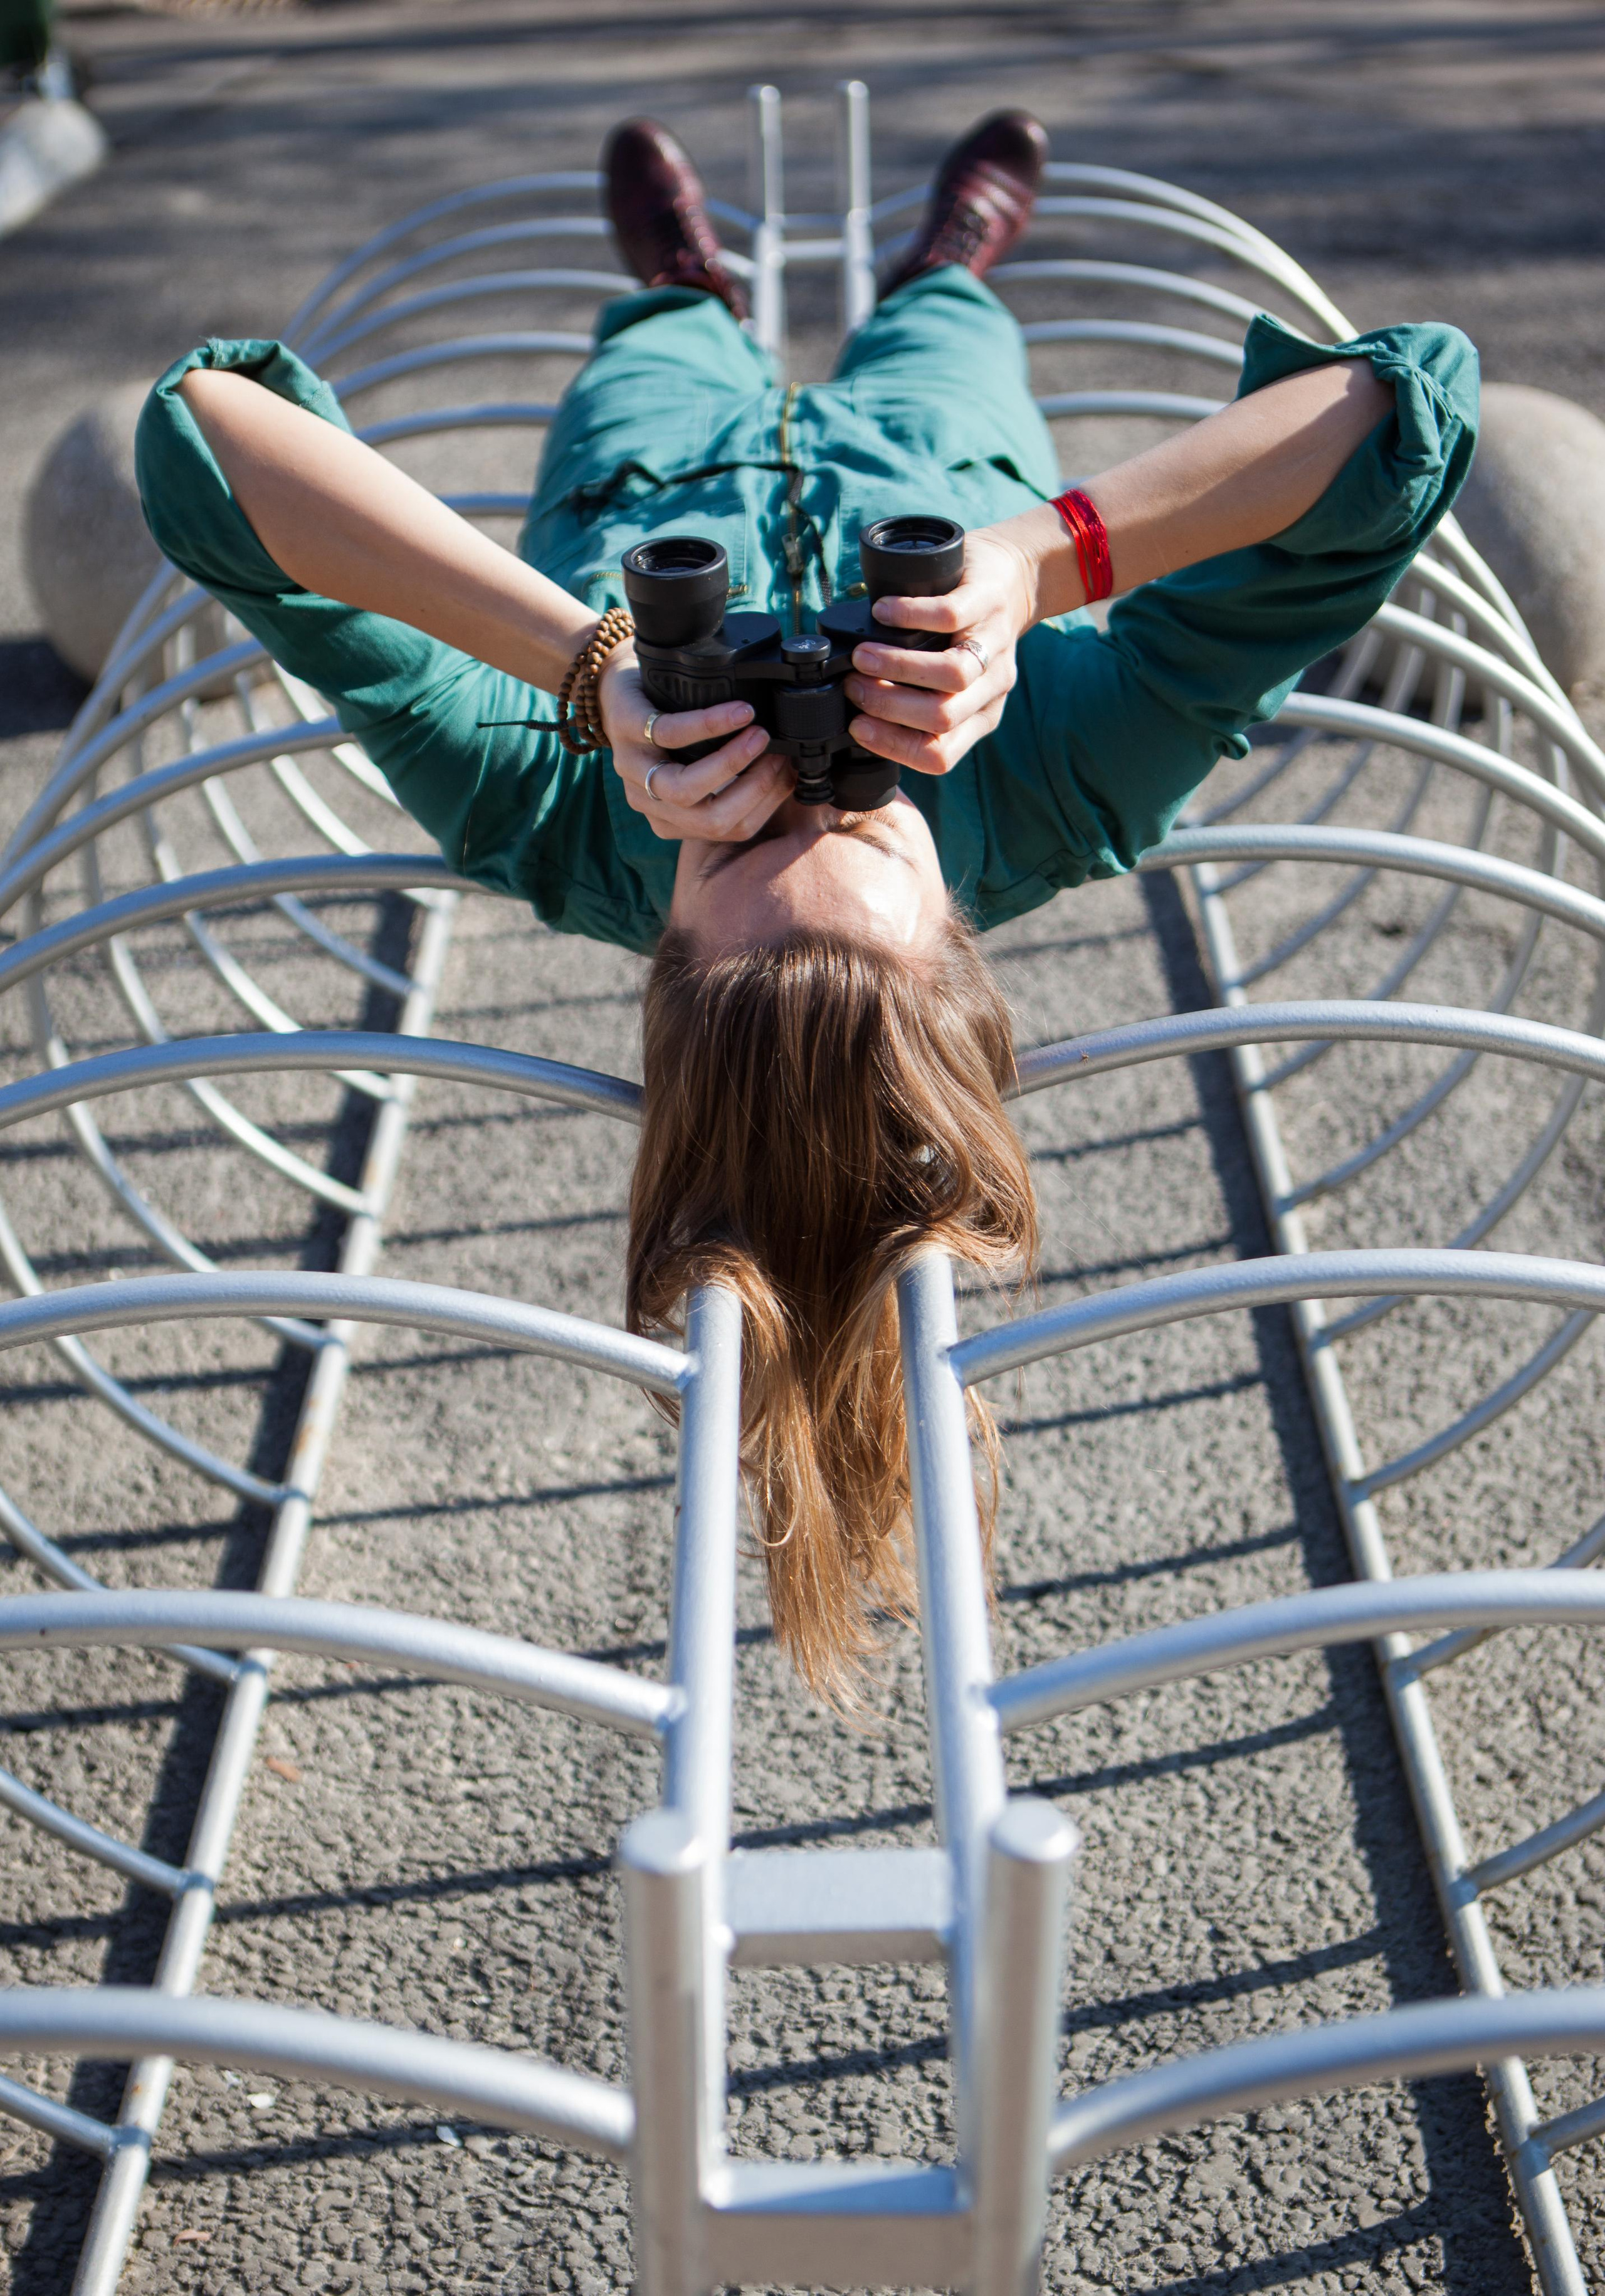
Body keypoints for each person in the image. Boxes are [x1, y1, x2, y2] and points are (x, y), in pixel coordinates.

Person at [135, 113, 1478, 1701]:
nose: (794, 763)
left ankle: (683, 270)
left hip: (655, 450)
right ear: (957, 938)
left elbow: (202, 442)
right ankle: (948, 252)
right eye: (856, 802)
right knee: (941, 325)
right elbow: (1406, 405)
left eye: (733, 837)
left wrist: (590, 664)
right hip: (937, 440)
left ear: (665, 952)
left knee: (664, 336)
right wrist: (1041, 560)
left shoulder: (556, 804)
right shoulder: (1061, 781)